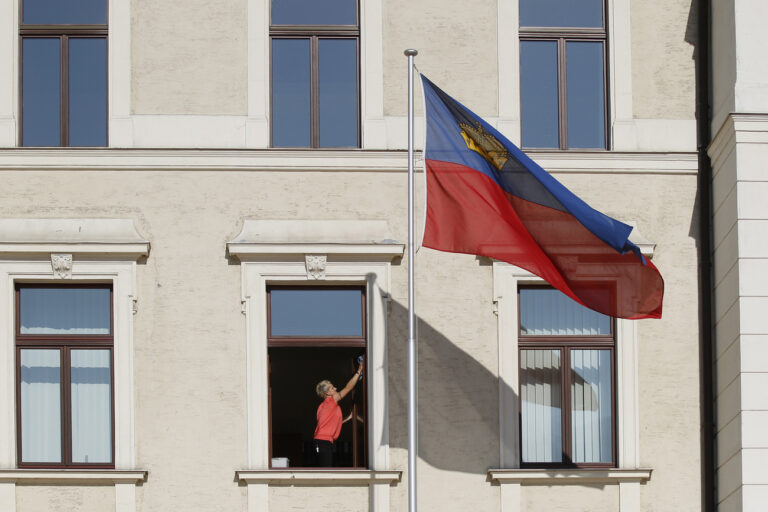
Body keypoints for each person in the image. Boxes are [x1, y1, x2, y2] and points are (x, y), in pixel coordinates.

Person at [313, 361, 364, 467]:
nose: (335, 389)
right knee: (326, 471)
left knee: (325, 469)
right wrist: (359, 371)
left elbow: (328, 423)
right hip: (324, 442)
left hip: (323, 441)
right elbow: (348, 388)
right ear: (327, 393)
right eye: (332, 388)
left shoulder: (322, 406)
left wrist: (348, 418)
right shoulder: (331, 401)